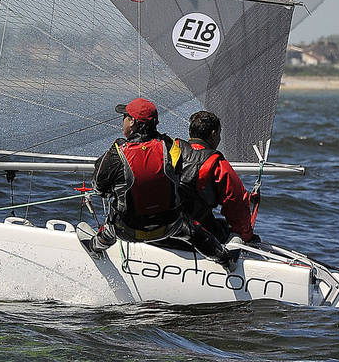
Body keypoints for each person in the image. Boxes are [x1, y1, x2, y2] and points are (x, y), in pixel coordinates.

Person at [85, 97, 186, 247]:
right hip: (169, 227)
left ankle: (96, 246)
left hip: (128, 230)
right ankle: (220, 256)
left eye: (124, 117)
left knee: (111, 227)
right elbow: (178, 176)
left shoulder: (117, 153)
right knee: (191, 228)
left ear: (132, 121)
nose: (123, 122)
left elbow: (99, 188)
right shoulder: (171, 147)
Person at [178, 109, 260, 248]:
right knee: (229, 230)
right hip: (194, 236)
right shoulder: (217, 164)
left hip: (162, 228)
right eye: (219, 134)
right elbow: (237, 204)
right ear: (213, 134)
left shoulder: (170, 151)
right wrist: (246, 235)